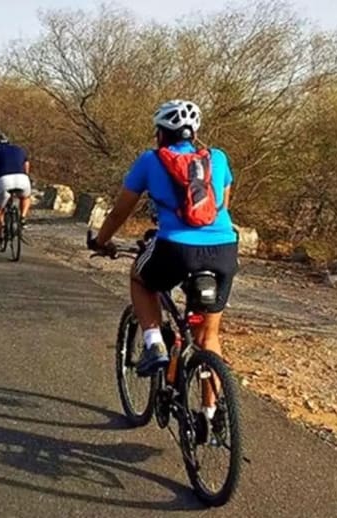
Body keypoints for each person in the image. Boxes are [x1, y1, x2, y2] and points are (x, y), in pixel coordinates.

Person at [88, 99, 238, 418]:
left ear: (160, 133)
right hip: (224, 249)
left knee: (140, 278)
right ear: (194, 132)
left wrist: (102, 241)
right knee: (208, 336)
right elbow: (223, 203)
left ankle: (154, 341)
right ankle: (211, 415)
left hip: (175, 248)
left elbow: (120, 212)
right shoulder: (218, 158)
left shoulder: (150, 161)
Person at [0, 133, 32, 246]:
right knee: (25, 197)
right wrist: (25, 176)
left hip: (3, 181)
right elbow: (26, 165)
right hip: (22, 179)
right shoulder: (19, 149)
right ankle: (23, 217)